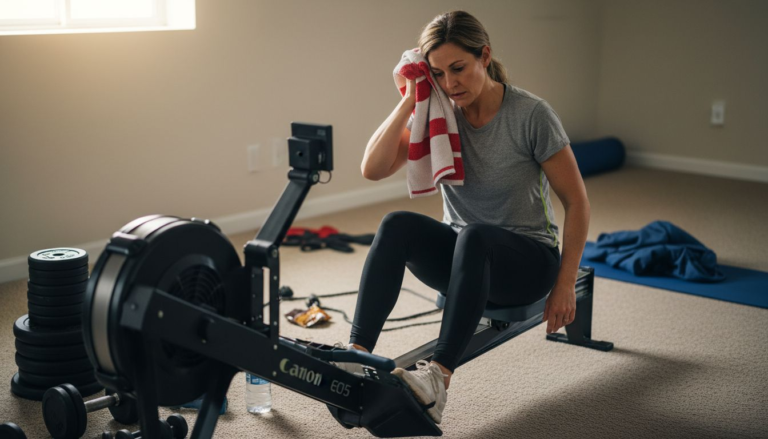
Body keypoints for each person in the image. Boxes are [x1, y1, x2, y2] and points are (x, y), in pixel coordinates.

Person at [338, 10, 589, 424]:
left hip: (528, 263)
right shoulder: (438, 111)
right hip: (465, 260)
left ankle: (437, 379)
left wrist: (565, 284)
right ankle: (356, 355)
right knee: (396, 223)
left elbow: (577, 202)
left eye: (458, 68)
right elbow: (373, 167)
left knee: (474, 236)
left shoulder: (531, 115)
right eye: (437, 73)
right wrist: (411, 96)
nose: (450, 84)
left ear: (484, 56)